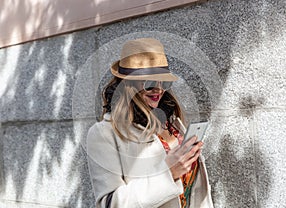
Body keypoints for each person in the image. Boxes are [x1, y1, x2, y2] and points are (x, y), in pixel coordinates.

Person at [87, 38, 214, 208]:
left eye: (164, 82)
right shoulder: (104, 133)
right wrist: (168, 173)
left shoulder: (171, 124)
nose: (159, 89)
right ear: (127, 84)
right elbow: (110, 204)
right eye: (150, 83)